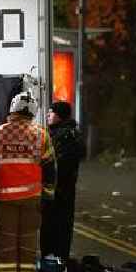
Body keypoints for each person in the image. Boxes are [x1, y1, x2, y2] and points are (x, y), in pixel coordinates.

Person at [0, 92, 56, 272]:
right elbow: (50, 167)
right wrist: (48, 193)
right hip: (32, 196)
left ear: (12, 109)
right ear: (33, 111)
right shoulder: (41, 135)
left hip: (5, 197)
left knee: (7, 238)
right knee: (28, 238)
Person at [40, 101, 85, 261]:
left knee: (55, 226)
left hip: (60, 190)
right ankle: (54, 259)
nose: (47, 115)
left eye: (51, 113)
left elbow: (58, 164)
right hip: (60, 189)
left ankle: (54, 261)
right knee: (56, 226)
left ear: (59, 116)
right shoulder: (62, 133)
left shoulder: (65, 136)